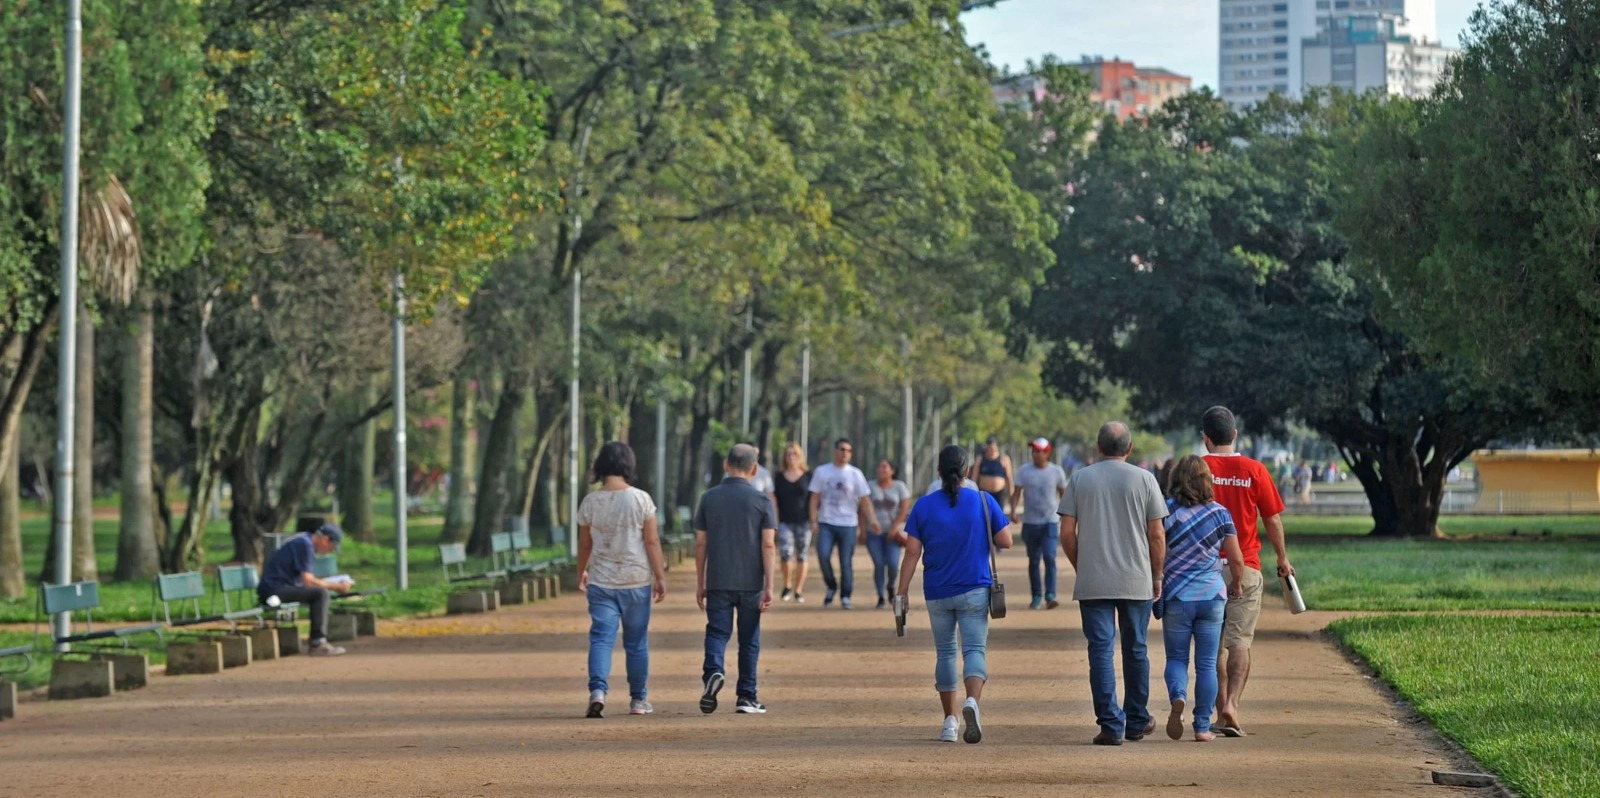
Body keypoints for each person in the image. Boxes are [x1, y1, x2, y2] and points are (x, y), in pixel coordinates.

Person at [1060, 422, 1168, 746]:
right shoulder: (1145, 479)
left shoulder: (1079, 479)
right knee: (1136, 649)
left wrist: (1083, 565)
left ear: (1098, 446)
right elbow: (1157, 533)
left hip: (1094, 580)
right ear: (1130, 448)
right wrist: (1157, 574)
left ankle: (1110, 724)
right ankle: (1136, 720)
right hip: (1136, 579)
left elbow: (1066, 532)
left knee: (1100, 651)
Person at [896, 445, 1012, 744]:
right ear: (968, 471)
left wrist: (901, 591)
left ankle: (949, 722)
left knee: (945, 652)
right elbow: (1006, 541)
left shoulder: (923, 506)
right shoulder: (983, 501)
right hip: (975, 586)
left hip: (937, 590)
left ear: (938, 471)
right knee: (974, 650)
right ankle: (972, 702)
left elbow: (911, 552)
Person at [1200, 406, 1294, 737]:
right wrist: (1282, 558)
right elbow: (1272, 518)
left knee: (1213, 644)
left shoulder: (1196, 469)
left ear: (1205, 438)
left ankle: (1219, 705)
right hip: (1248, 567)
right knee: (1239, 641)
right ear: (1235, 435)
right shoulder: (1254, 469)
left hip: (1203, 570)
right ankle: (1232, 707)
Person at [576, 441, 668, 718]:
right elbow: (651, 541)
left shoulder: (590, 501)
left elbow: (585, 545)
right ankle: (638, 700)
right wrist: (660, 576)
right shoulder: (641, 499)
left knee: (601, 639)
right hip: (636, 581)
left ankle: (598, 692)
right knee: (636, 643)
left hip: (602, 582)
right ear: (628, 465)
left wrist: (581, 570)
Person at [1160, 455, 1245, 742]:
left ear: (1176, 479)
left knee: (1176, 658)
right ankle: (1201, 726)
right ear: (1207, 480)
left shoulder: (1165, 512)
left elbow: (1156, 549)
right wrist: (1237, 584)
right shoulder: (1220, 514)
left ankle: (1178, 697)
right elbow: (1236, 559)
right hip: (1211, 597)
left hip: (1176, 597)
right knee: (1207, 664)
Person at [694, 443, 779, 715]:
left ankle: (713, 672)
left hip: (718, 578)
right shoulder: (762, 501)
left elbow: (701, 544)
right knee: (749, 639)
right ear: (754, 469)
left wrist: (700, 582)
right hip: (751, 581)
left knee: (718, 632)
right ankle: (746, 696)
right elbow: (768, 545)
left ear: (725, 465)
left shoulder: (709, 498)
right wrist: (770, 586)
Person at [257, 522, 351, 657]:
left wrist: (332, 583)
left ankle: (318, 641)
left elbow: (307, 579)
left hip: (277, 589)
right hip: (273, 593)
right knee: (320, 594)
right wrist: (337, 586)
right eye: (331, 547)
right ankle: (317, 643)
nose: (329, 551)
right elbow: (308, 581)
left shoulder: (304, 541)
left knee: (319, 592)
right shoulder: (305, 545)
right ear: (325, 539)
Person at [808, 438, 876, 609]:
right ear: (835, 451)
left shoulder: (855, 474)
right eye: (842, 449)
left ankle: (846, 595)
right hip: (826, 522)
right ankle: (831, 586)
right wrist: (813, 521)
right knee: (823, 555)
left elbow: (865, 500)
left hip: (848, 524)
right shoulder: (822, 472)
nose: (845, 453)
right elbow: (814, 498)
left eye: (848, 450)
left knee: (846, 561)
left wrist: (872, 520)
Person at [1011, 438, 1069, 610]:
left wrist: (1066, 515)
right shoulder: (1024, 471)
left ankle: (1050, 594)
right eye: (1034, 451)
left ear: (1047, 452)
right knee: (1034, 560)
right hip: (1030, 522)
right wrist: (1013, 510)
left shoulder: (1056, 471)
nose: (1035, 454)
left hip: (1050, 521)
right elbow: (1016, 493)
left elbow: (1063, 494)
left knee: (1050, 557)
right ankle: (1036, 595)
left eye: (1039, 451)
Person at [867, 459, 912, 609]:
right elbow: (864, 508)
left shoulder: (899, 487)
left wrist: (894, 527)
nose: (881, 469)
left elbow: (905, 509)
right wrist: (863, 528)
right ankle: (880, 596)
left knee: (893, 564)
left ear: (892, 471)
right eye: (879, 466)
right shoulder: (870, 486)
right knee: (879, 564)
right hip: (874, 532)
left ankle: (891, 585)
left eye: (885, 467)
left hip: (893, 534)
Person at [772, 443, 813, 603]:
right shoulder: (779, 477)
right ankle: (787, 584)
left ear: (800, 456)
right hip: (784, 521)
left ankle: (799, 589)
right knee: (786, 553)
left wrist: (813, 519)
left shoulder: (808, 476)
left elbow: (813, 499)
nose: (791, 457)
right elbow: (774, 500)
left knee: (802, 555)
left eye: (794, 454)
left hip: (804, 521)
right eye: (788, 454)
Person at [969, 437, 1013, 510]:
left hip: (999, 494)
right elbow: (974, 478)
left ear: (997, 447)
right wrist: (973, 494)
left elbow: (1009, 478)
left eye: (994, 448)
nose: (992, 451)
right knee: (985, 516)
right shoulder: (980, 459)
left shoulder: (1004, 459)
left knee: (998, 516)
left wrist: (1011, 495)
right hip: (984, 493)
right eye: (990, 448)